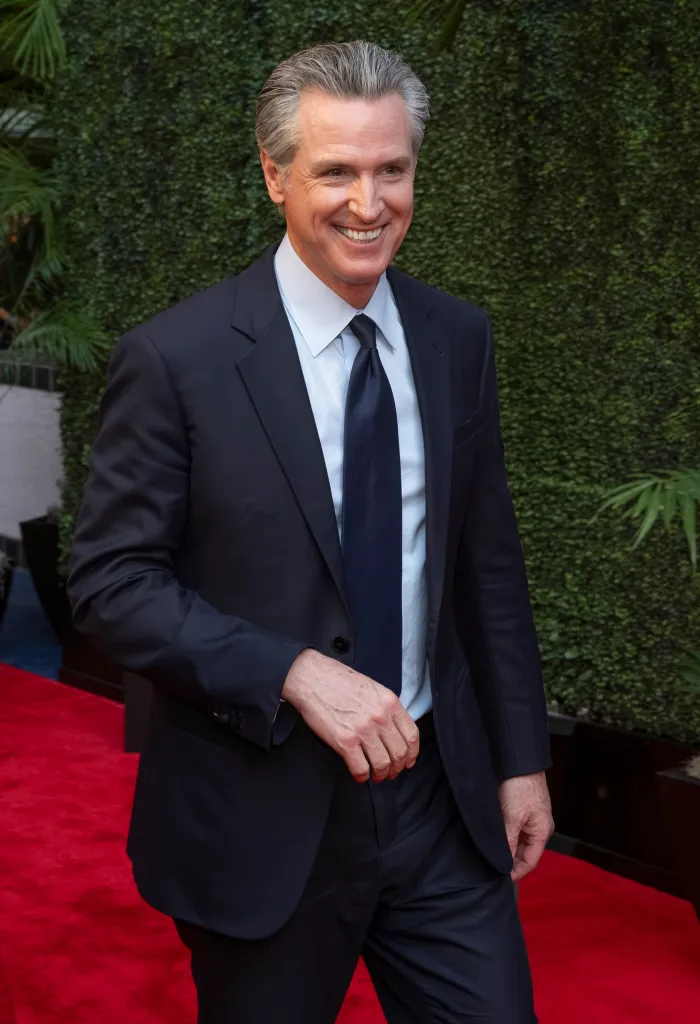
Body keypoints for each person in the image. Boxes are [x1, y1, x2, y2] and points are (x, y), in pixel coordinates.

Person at [67, 40, 554, 1024]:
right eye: (336, 170)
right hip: (260, 812)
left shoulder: (458, 339)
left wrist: (518, 756)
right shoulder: (176, 357)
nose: (368, 203)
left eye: (391, 169)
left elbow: (484, 569)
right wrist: (288, 667)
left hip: (436, 808)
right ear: (274, 175)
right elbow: (110, 583)